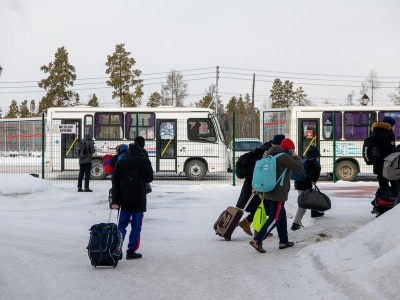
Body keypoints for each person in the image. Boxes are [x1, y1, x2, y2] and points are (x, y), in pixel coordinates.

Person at [249, 138, 303, 253]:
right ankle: (257, 240)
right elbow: (299, 168)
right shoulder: (284, 157)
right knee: (275, 218)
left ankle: (284, 241)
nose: (292, 151)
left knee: (281, 217)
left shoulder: (271, 155)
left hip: (270, 190)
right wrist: (295, 156)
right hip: (278, 193)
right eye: (292, 149)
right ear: (289, 149)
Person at [237, 134, 285, 237]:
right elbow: (261, 169)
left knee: (261, 205)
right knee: (262, 205)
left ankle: (255, 227)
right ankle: (251, 225)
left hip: (257, 181)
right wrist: (258, 187)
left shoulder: (265, 148)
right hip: (258, 182)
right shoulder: (267, 152)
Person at [111, 143, 154, 260]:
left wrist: (115, 200)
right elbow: (150, 178)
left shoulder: (121, 162)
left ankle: (116, 249)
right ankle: (131, 250)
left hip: (124, 199)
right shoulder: (144, 162)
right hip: (139, 199)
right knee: (136, 226)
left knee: (122, 225)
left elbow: (115, 182)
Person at [291, 146, 322, 231]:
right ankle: (295, 224)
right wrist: (314, 180)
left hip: (298, 184)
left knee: (309, 199)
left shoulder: (304, 160)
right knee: (303, 205)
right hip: (305, 184)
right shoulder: (314, 162)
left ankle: (314, 211)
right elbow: (318, 168)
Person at [372, 116, 396, 189]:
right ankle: (393, 200)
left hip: (378, 164)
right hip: (388, 165)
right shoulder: (389, 134)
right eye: (394, 125)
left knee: (383, 186)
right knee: (396, 187)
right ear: (390, 125)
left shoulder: (376, 132)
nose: (395, 127)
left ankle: (380, 199)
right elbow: (390, 151)